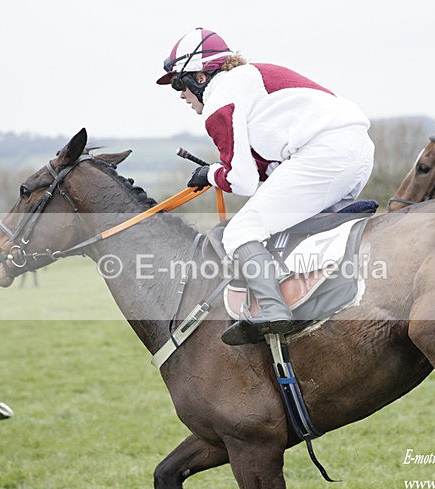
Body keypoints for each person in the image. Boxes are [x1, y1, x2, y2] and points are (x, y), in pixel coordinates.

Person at [157, 27, 375, 345]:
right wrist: (220, 170)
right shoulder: (246, 82)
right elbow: (263, 172)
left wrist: (210, 174)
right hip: (356, 151)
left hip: (324, 153)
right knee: (279, 221)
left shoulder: (220, 99)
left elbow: (241, 181)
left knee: (239, 232)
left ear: (200, 77)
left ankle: (273, 309)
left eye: (179, 83)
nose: (179, 94)